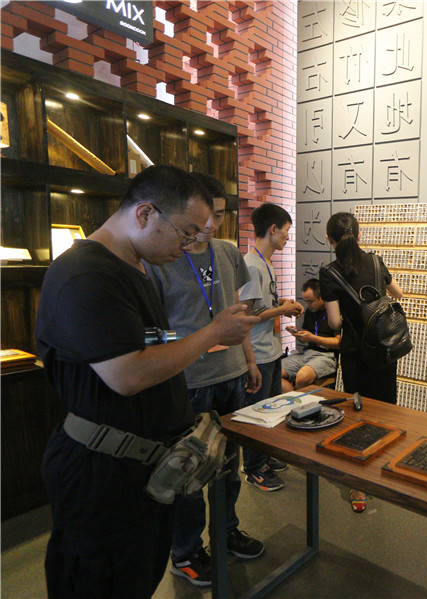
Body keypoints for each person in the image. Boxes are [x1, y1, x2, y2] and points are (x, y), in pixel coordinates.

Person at [35, 165, 259, 599]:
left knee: (135, 578)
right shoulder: (87, 275)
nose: (191, 244)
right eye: (186, 232)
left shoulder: (132, 268)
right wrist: (212, 333)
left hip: (140, 474)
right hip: (101, 477)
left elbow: (156, 347)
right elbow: (128, 374)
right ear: (144, 214)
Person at [146, 172, 265, 587]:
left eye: (220, 215)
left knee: (229, 467)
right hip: (189, 381)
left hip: (231, 376)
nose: (213, 224)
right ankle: (186, 551)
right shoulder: (161, 258)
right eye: (208, 215)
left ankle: (227, 528)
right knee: (191, 472)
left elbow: (238, 314)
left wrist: (248, 359)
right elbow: (152, 333)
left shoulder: (228, 253)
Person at [319, 211, 403, 512]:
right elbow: (398, 293)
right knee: (384, 409)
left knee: (358, 412)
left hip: (355, 353)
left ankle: (358, 486)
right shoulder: (377, 261)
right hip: (383, 350)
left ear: (330, 240)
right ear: (359, 234)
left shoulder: (329, 272)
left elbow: (334, 322)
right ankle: (384, 469)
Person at [238, 202, 304, 491]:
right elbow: (246, 316)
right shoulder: (251, 266)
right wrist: (280, 311)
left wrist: (280, 305)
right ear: (273, 229)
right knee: (258, 413)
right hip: (259, 352)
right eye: (286, 232)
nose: (288, 238)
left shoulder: (264, 262)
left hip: (271, 350)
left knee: (271, 408)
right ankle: (253, 468)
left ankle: (264, 458)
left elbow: (262, 306)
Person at [281, 278, 341, 393]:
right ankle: (292, 402)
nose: (308, 305)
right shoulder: (310, 311)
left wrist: (312, 337)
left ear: (322, 297)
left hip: (327, 355)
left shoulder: (334, 312)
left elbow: (339, 343)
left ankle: (303, 406)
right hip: (308, 352)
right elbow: (306, 337)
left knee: (302, 377)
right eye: (305, 301)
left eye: (311, 301)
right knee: (274, 372)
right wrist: (298, 333)